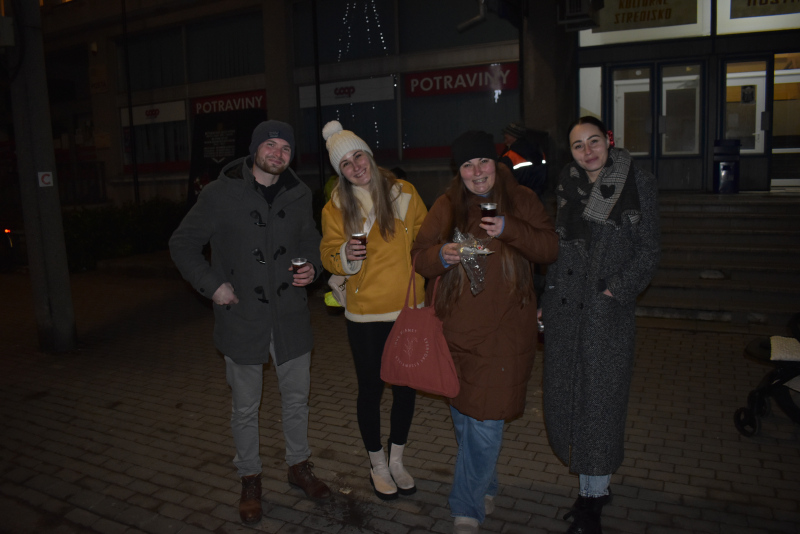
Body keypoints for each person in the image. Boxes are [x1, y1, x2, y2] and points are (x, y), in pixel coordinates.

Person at [169, 120, 331, 525]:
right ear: (255, 149)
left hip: (291, 317)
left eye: (285, 148)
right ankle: (250, 477)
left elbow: (311, 240)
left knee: (296, 399)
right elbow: (182, 243)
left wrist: (312, 267)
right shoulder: (219, 193)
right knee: (245, 407)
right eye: (270, 145)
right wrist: (212, 285)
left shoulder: (298, 193)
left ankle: (298, 466)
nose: (278, 154)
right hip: (242, 317)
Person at [411, 131, 558, 534]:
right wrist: (441, 255)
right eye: (467, 165)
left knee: (486, 420)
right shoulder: (447, 204)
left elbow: (549, 248)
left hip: (504, 334)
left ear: (496, 163)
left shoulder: (522, 200)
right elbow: (419, 256)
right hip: (454, 333)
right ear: (458, 171)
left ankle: (466, 507)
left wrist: (510, 228)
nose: (477, 172)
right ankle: (485, 483)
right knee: (465, 419)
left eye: (483, 162)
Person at [540, 116, 661, 534]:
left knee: (599, 408)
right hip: (565, 314)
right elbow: (558, 250)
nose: (587, 151)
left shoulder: (637, 182)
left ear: (608, 141)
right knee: (568, 402)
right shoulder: (567, 185)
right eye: (578, 145)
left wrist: (615, 291)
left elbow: (649, 250)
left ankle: (592, 502)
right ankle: (593, 486)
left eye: (594, 141)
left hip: (604, 316)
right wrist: (546, 299)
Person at [319, 120, 428, 501]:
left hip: (407, 308)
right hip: (365, 314)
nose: (355, 167)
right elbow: (328, 254)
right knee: (370, 390)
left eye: (358, 156)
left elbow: (427, 238)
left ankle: (397, 460)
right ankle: (377, 464)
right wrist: (345, 254)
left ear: (368, 154)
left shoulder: (405, 192)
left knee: (406, 390)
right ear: (340, 172)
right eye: (345, 164)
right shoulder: (335, 207)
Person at [499, 122, 547, 198]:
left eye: (506, 136)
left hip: (518, 199)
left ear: (513, 136)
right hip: (537, 197)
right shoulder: (540, 152)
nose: (505, 139)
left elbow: (502, 181)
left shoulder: (509, 156)